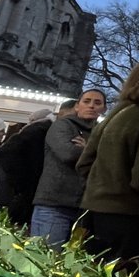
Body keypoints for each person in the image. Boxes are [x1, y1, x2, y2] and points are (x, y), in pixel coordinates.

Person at [76, 62, 139, 275]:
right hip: (129, 219)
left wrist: (104, 186)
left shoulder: (115, 115)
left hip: (95, 213)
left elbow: (84, 163)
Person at [32, 90, 106, 248]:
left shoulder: (103, 133)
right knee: (43, 261)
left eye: (97, 103)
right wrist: (95, 152)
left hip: (84, 209)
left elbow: (110, 162)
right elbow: (69, 154)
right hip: (54, 205)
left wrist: (87, 148)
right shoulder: (62, 125)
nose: (92, 105)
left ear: (104, 109)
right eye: (87, 101)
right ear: (77, 106)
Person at [0, 107, 55, 226]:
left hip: (12, 192)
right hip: (20, 193)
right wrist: (22, 184)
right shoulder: (39, 133)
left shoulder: (28, 133)